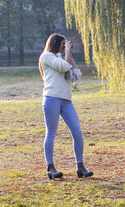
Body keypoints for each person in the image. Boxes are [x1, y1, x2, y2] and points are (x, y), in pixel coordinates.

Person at [39, 33, 93, 179]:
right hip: (52, 99)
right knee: (51, 133)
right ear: (56, 44)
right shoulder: (47, 56)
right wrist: (67, 54)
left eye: (66, 45)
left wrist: (69, 54)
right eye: (63, 45)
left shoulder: (63, 58)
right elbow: (64, 67)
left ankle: (80, 166)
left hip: (66, 101)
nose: (65, 48)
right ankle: (50, 167)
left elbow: (76, 74)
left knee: (77, 133)